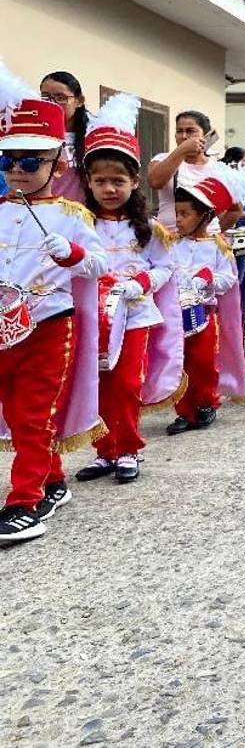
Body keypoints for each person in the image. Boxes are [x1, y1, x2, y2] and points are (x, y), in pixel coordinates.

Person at [0, 71, 106, 544]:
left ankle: (25, 501)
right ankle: (54, 478)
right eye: (8, 160)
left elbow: (99, 265)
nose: (18, 170)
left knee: (32, 414)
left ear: (57, 163)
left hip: (46, 326)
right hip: (4, 327)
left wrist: (73, 253)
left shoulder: (71, 215)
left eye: (30, 161)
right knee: (16, 413)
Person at [75, 93, 176, 485]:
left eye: (118, 181)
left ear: (134, 182)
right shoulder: (79, 222)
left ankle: (130, 448)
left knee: (127, 382)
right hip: (93, 319)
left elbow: (167, 267)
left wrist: (140, 283)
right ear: (89, 182)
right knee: (97, 383)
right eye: (101, 181)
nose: (110, 188)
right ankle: (105, 450)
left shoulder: (149, 229)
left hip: (135, 316)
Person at [166, 167, 245, 435]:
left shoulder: (217, 246)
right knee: (179, 362)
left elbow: (229, 281)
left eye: (185, 214)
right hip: (176, 313)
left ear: (204, 216)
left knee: (202, 362)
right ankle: (183, 410)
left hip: (204, 314)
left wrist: (209, 277)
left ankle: (206, 403)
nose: (178, 219)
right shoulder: (172, 245)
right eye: (177, 213)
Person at [149, 111, 238, 233]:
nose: (184, 136)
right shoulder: (162, 159)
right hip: (168, 240)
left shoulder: (219, 168)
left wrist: (211, 233)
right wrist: (182, 150)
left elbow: (235, 209)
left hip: (205, 243)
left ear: (206, 135)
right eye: (179, 131)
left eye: (190, 131)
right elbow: (155, 182)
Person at [39, 71, 90, 202]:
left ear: (79, 101)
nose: (52, 103)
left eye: (60, 98)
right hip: (42, 213)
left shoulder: (92, 137)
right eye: (45, 97)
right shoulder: (35, 137)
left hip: (81, 216)